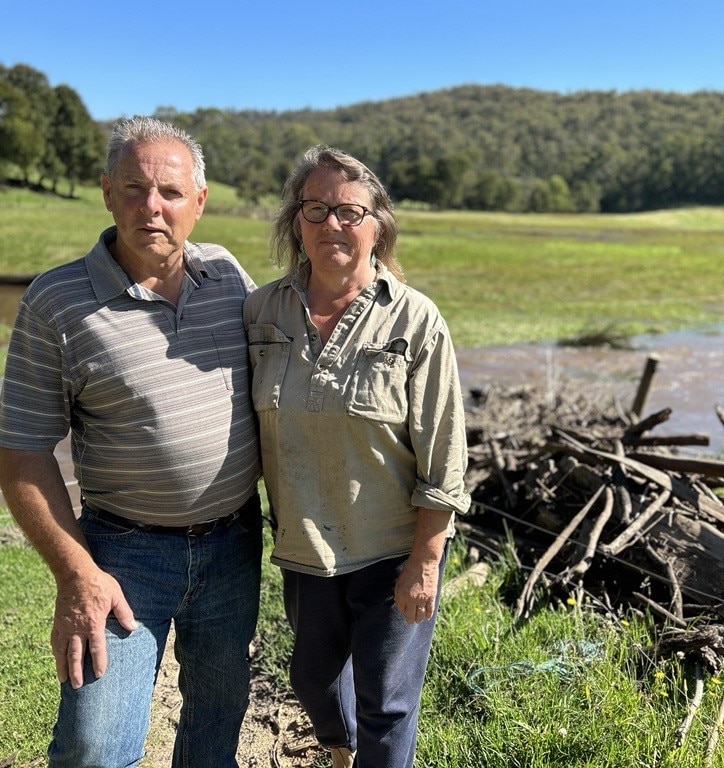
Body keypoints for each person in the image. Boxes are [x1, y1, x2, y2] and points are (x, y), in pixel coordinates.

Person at [0, 116, 263, 767]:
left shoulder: (227, 276)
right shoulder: (56, 300)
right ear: (107, 192)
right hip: (123, 553)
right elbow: (21, 454)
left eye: (171, 192)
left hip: (234, 543)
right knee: (95, 747)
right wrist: (76, 572)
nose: (153, 206)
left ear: (199, 202)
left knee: (216, 719)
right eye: (134, 187)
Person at [243, 146, 470, 768]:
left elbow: (445, 452)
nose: (333, 224)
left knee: (387, 704)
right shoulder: (262, 312)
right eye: (315, 208)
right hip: (304, 549)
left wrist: (426, 561)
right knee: (314, 683)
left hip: (393, 548)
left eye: (350, 210)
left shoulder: (415, 320)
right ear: (296, 223)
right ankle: (340, 753)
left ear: (378, 225)